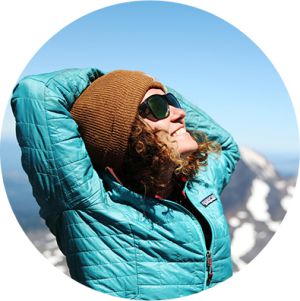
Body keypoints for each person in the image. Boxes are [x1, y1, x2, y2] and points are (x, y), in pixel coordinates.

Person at [11, 68, 240, 300]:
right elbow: (37, 91)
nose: (181, 113)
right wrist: (104, 83)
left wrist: (147, 88)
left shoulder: (199, 183)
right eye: (159, 107)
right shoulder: (88, 205)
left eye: (173, 101)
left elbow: (225, 146)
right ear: (127, 134)